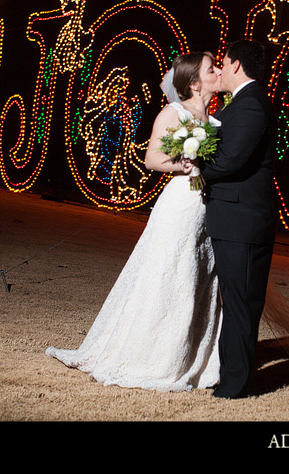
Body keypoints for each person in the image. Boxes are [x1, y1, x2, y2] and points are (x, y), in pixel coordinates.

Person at [45, 51, 224, 392]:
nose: (218, 72)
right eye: (211, 68)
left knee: (199, 278)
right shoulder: (173, 113)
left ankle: (193, 355)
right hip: (180, 205)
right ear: (195, 83)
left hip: (208, 209)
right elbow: (152, 158)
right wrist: (184, 164)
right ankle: (150, 354)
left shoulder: (216, 123)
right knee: (167, 273)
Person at [200, 39, 279, 399]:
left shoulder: (250, 104)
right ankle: (228, 376)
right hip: (233, 217)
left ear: (235, 65)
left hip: (242, 220)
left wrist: (191, 167)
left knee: (241, 304)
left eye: (223, 61)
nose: (220, 68)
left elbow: (230, 159)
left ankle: (235, 384)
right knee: (234, 302)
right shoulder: (242, 102)